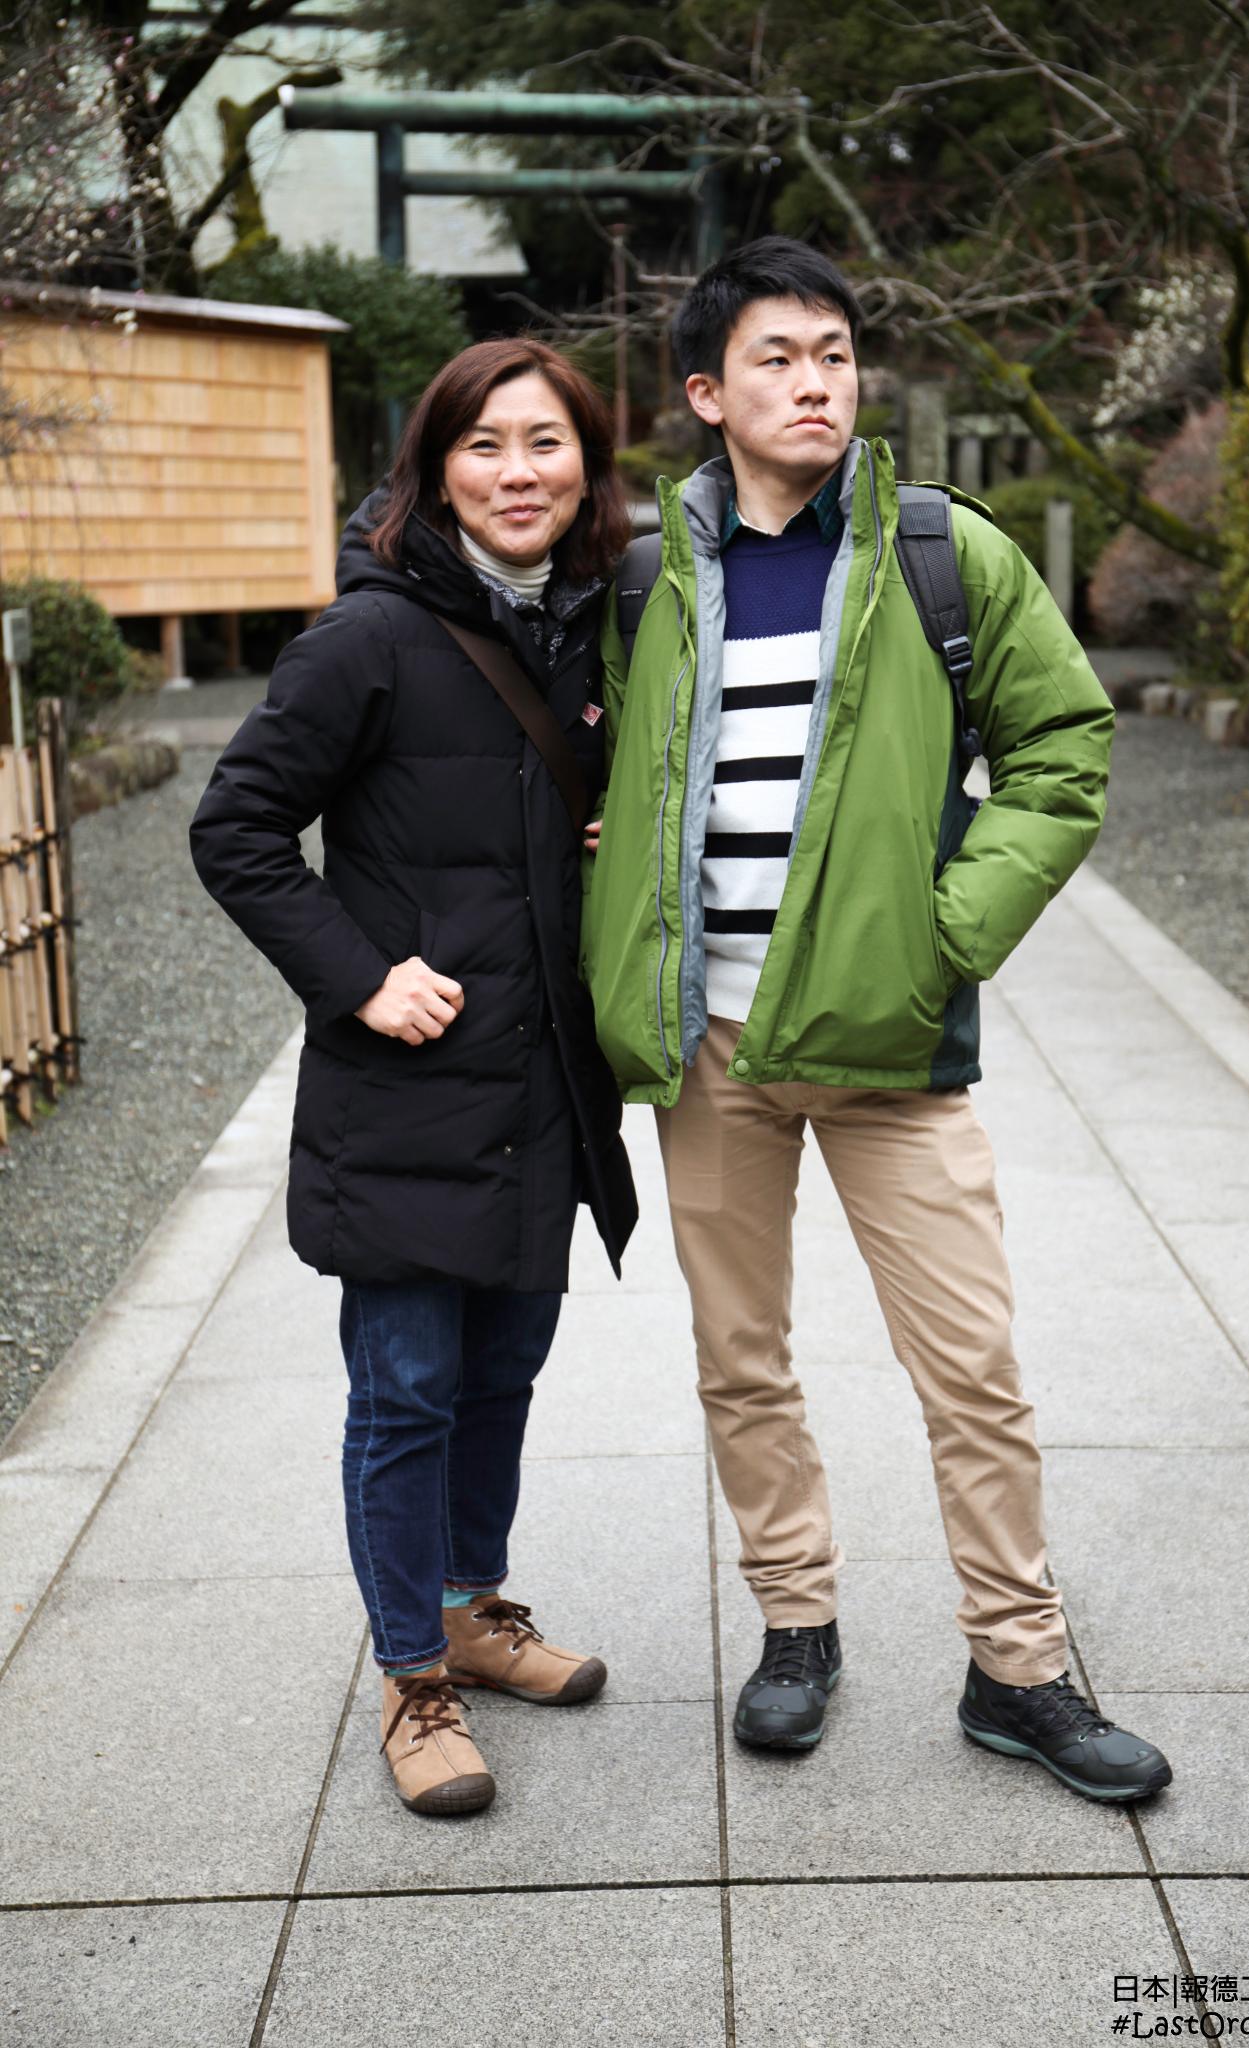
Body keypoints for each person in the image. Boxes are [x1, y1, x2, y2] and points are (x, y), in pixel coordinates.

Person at [581, 237, 1172, 1803]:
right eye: (775, 358)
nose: (814, 383)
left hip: (893, 1049)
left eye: (833, 355)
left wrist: (943, 935)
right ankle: (796, 1627)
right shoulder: (646, 580)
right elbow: (592, 774)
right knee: (739, 1360)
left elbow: (1062, 744)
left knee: (970, 1367)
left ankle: (1018, 1667)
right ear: (706, 395)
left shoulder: (940, 552)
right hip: (707, 1048)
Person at [191, 338, 637, 1817]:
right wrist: (362, 973)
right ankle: (411, 1677)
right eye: (483, 445)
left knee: (502, 1372)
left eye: (546, 443)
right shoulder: (367, 638)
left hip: (538, 1083)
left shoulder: (593, 628)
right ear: (434, 469)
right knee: (407, 1391)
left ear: (587, 466)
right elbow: (236, 829)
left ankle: (469, 1608)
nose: (518, 472)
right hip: (406, 1082)